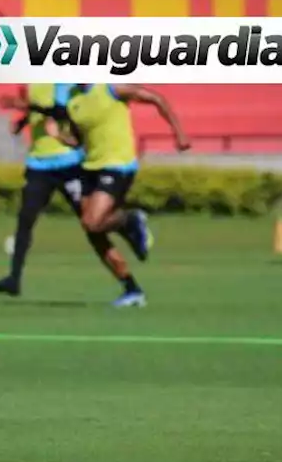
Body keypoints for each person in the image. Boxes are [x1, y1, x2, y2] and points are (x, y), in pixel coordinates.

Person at [51, 84, 191, 308]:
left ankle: (131, 219)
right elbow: (80, 140)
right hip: (90, 168)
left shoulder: (112, 88)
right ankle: (131, 289)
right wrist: (60, 137)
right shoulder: (73, 99)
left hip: (117, 166)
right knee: (92, 232)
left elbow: (157, 98)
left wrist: (179, 133)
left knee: (92, 221)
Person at [0, 84, 134, 302]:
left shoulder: (64, 82)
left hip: (69, 163)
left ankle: (130, 283)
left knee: (93, 229)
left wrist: (25, 106)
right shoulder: (29, 83)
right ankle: (14, 279)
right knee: (25, 219)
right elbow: (36, 113)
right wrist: (22, 122)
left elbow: (61, 112)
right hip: (38, 164)